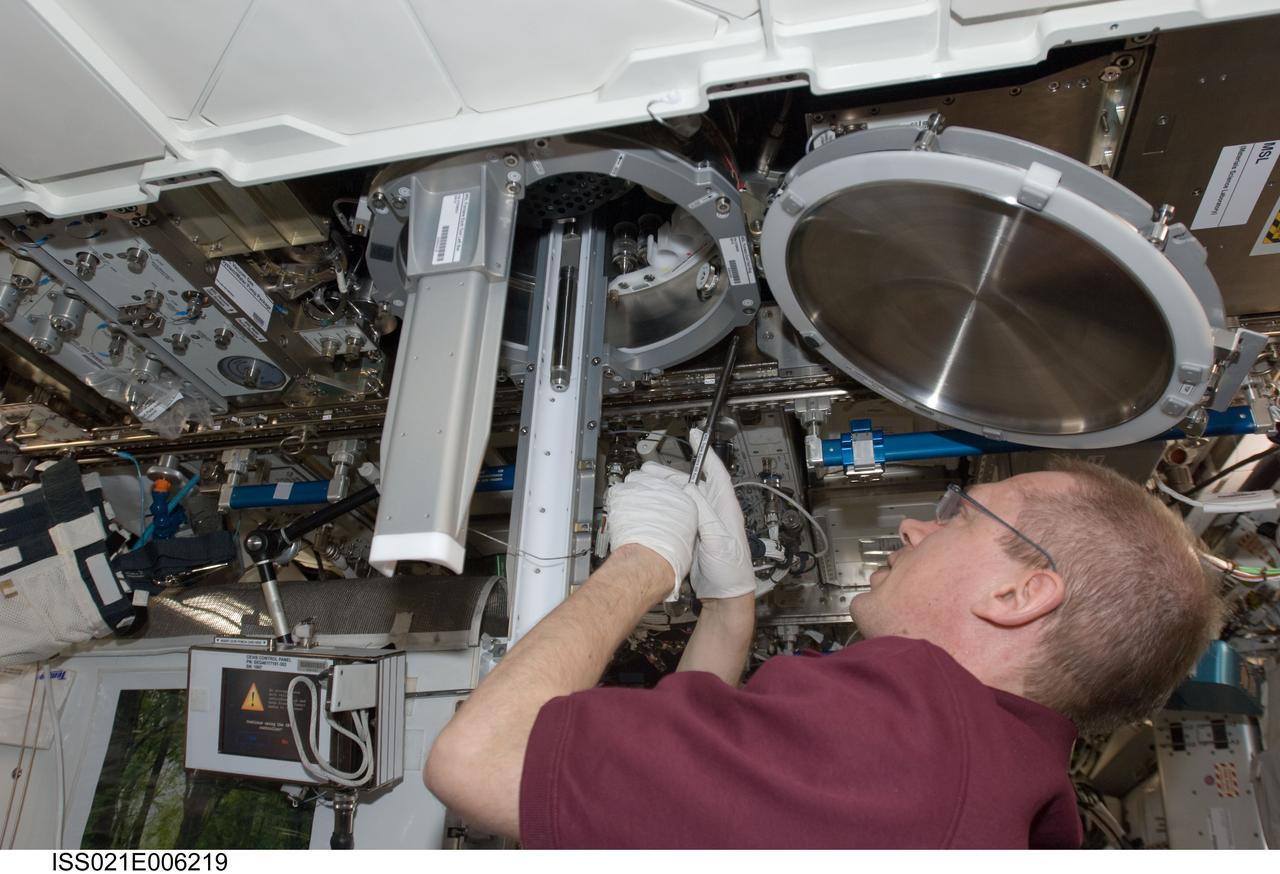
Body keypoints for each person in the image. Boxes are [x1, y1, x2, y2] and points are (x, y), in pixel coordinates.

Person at [424, 437, 1222, 848]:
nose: (916, 525)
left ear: (1018, 594)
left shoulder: (911, 736)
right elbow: (696, 806)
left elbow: (479, 761)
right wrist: (730, 605)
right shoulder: (997, 780)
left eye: (961, 515)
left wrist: (642, 563)